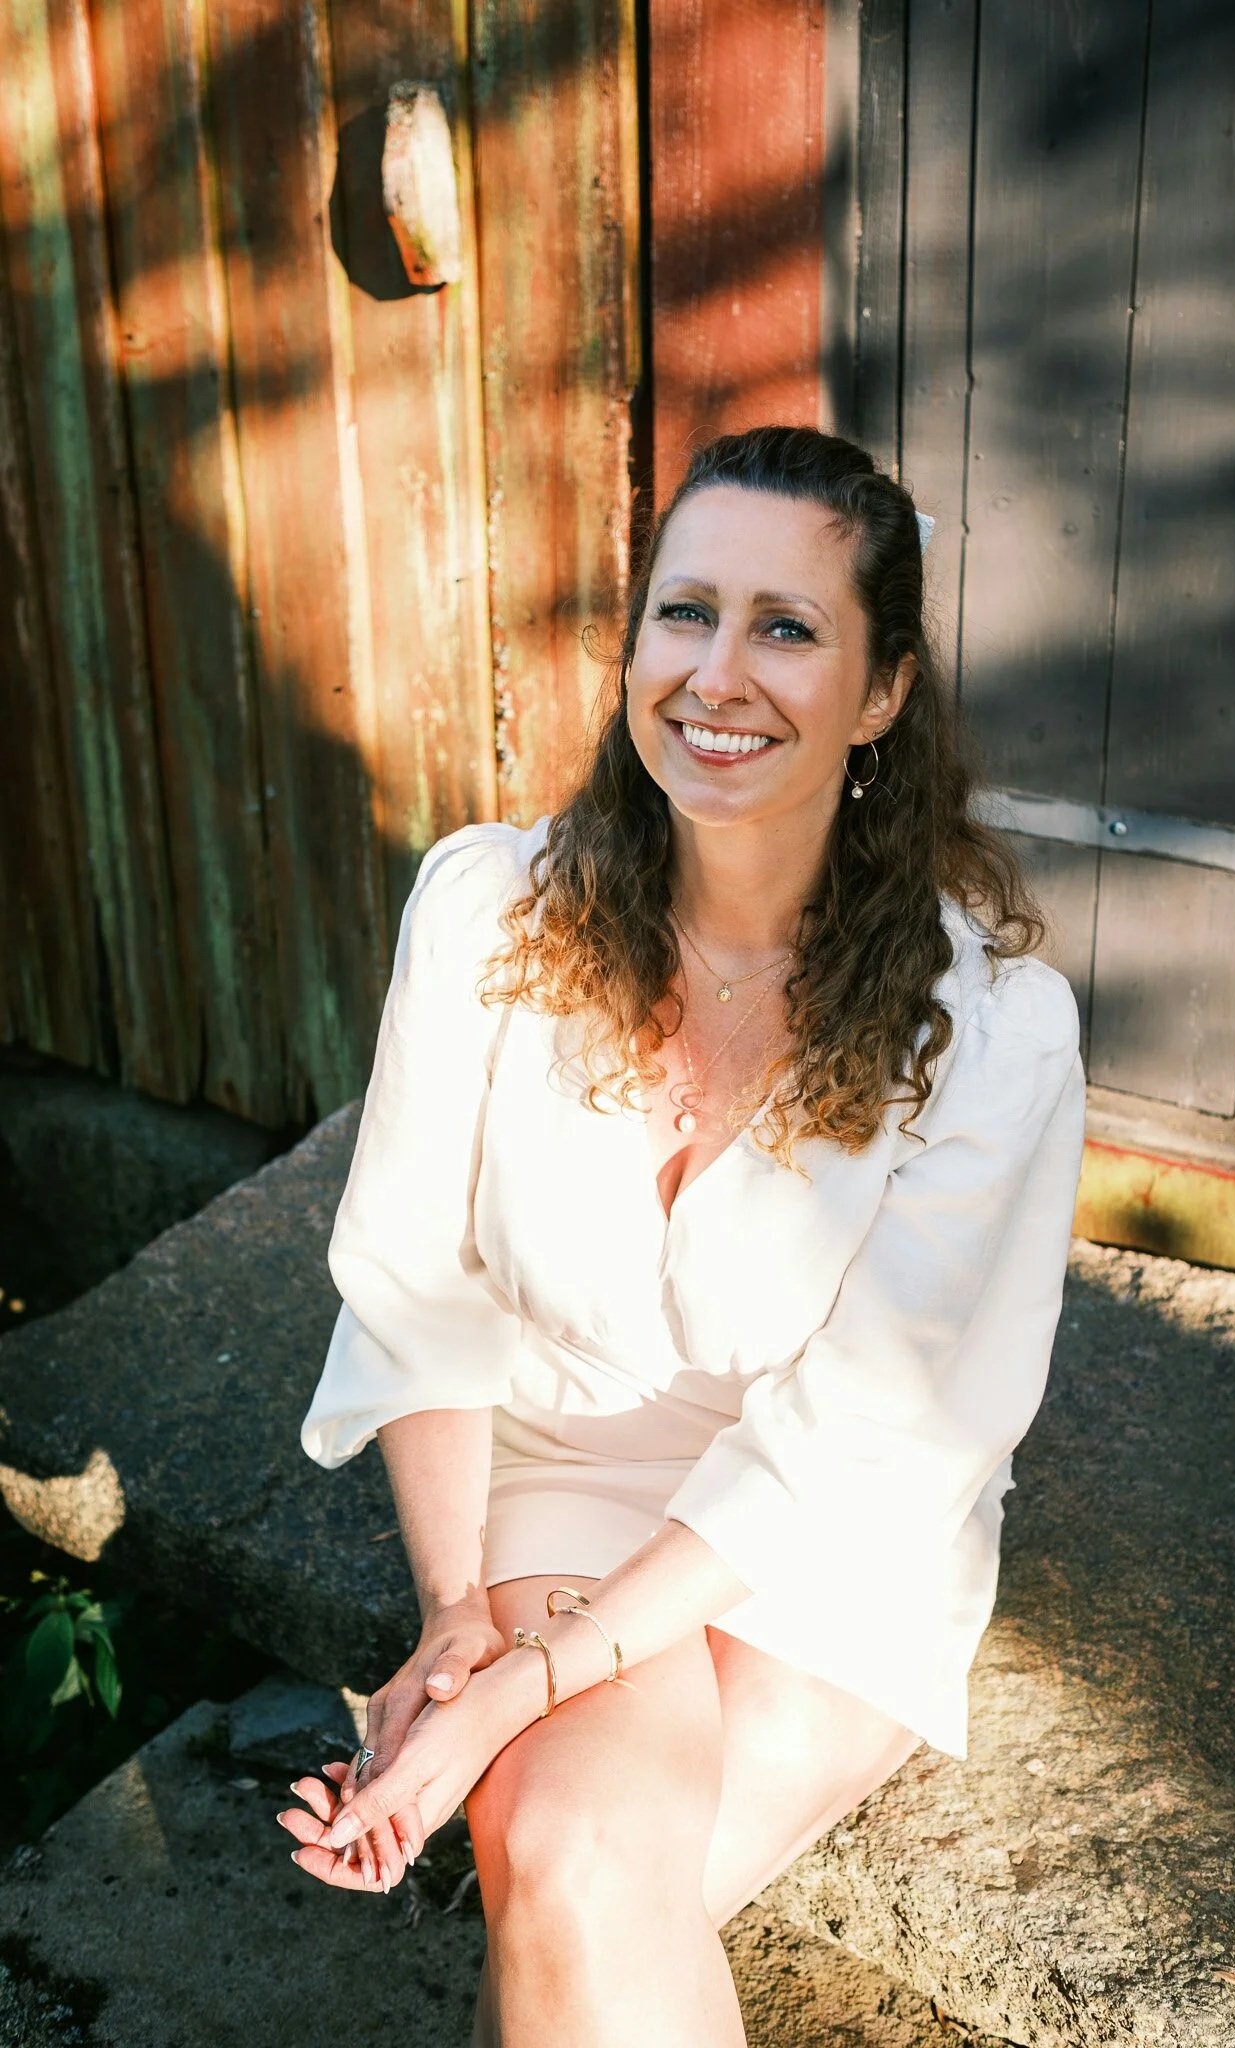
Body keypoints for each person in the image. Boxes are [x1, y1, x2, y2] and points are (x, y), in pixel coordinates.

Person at [277, 424, 1087, 2046]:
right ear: (635, 641)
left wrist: (517, 1691)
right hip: (559, 1476)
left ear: (877, 695)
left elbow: (865, 1437)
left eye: (787, 629)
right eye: (683, 613)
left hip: (820, 1536)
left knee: (563, 1854)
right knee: (572, 1859)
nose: (718, 674)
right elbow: (416, 1292)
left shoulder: (992, 1032)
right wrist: (457, 1621)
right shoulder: (486, 912)